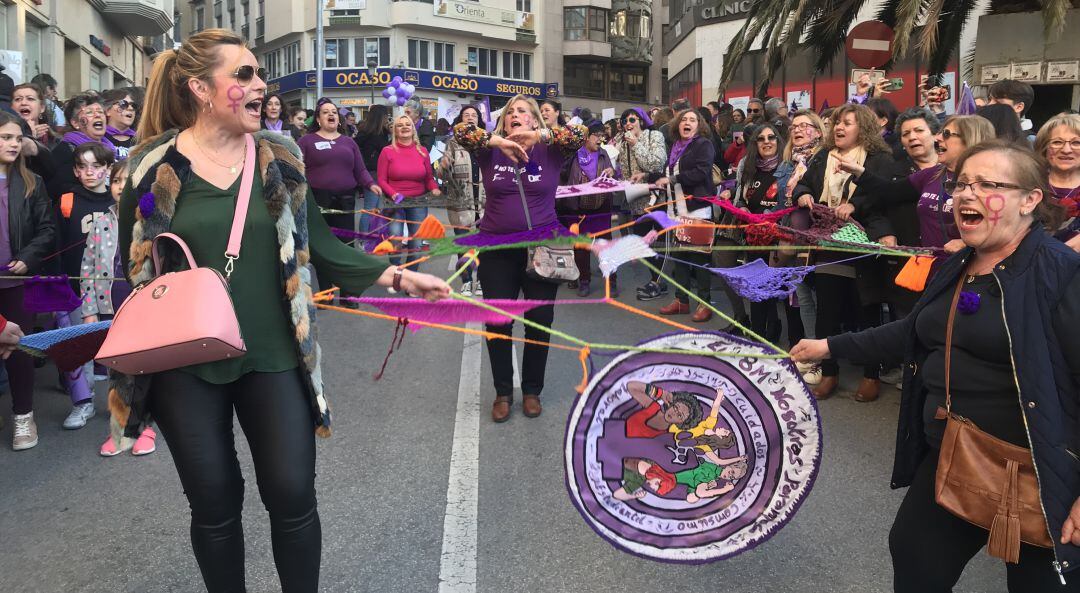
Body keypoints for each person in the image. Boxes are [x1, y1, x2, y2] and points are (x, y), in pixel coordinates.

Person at [116, 29, 449, 592]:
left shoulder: (280, 158)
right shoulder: (152, 166)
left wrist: (396, 275)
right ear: (200, 87)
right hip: (184, 364)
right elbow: (136, 269)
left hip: (273, 354)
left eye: (258, 74)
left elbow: (322, 243)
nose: (258, 85)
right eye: (242, 75)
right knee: (215, 505)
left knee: (293, 496)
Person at [790, 141, 1080, 592]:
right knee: (914, 556)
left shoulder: (1063, 274)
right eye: (963, 183)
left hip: (1039, 471)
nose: (968, 193)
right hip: (953, 452)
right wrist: (827, 345)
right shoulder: (958, 264)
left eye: (988, 184)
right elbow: (915, 332)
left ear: (1030, 200)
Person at [451, 93, 586, 423]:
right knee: (498, 320)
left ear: (535, 120)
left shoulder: (551, 147)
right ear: (502, 120)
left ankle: (531, 391)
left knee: (540, 322)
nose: (516, 114)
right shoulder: (488, 149)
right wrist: (499, 140)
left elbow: (580, 133)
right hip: (497, 247)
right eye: (511, 111)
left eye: (524, 111)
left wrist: (540, 135)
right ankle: (502, 392)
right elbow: (460, 131)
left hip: (544, 247)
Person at [791, 103, 898, 400]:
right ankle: (829, 373)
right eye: (837, 122)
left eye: (847, 123)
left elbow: (885, 193)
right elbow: (801, 184)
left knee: (867, 313)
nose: (838, 127)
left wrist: (856, 205)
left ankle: (871, 375)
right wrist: (805, 195)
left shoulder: (880, 158)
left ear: (862, 127)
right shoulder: (823, 155)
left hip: (865, 244)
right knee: (827, 311)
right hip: (829, 243)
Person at [81, 160, 154, 456]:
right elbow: (87, 267)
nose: (121, 186)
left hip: (145, 308)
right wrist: (89, 309)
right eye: (116, 181)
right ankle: (119, 428)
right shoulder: (100, 222)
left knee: (145, 370)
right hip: (111, 307)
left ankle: (146, 427)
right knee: (117, 372)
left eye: (128, 181)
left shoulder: (149, 221)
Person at [0, 111, 56, 450]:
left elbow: (48, 229)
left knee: (19, 350)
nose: (13, 144)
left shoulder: (31, 182)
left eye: (17, 138)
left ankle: (23, 416)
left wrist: (29, 257)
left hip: (17, 283)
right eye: (5, 137)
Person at [55, 142, 116, 430]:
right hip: (77, 288)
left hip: (114, 289)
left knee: (119, 347)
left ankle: (122, 404)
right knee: (78, 349)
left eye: (97, 166)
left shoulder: (117, 201)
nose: (90, 172)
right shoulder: (67, 201)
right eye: (83, 166)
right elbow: (56, 242)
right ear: (76, 171)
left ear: (108, 168)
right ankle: (83, 403)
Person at [776, 110, 826, 383]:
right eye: (793, 126)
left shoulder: (823, 159)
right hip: (792, 235)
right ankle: (810, 354)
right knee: (802, 296)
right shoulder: (786, 164)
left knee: (821, 298)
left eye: (804, 126)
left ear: (818, 131)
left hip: (818, 235)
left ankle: (821, 358)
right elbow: (785, 204)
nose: (796, 130)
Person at [654, 109, 718, 322]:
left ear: (699, 125)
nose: (687, 123)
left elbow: (701, 172)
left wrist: (672, 180)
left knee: (699, 258)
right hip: (675, 210)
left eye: (692, 120)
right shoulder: (675, 147)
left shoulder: (703, 145)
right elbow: (668, 174)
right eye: (684, 120)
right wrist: (648, 176)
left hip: (697, 208)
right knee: (679, 257)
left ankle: (705, 303)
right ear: (677, 125)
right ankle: (681, 300)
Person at [726, 123, 786, 343]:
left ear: (778, 141)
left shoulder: (787, 169)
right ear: (755, 144)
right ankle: (757, 335)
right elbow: (741, 197)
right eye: (761, 139)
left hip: (778, 237)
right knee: (755, 287)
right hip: (752, 237)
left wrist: (768, 217)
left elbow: (787, 202)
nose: (767, 142)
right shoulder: (749, 167)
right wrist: (741, 208)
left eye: (771, 137)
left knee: (772, 289)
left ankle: (774, 328)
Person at [298, 97, 383, 243]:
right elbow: (296, 168)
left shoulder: (349, 142)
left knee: (345, 242)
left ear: (338, 118)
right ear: (318, 119)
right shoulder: (306, 141)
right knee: (320, 242)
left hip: (346, 199)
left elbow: (360, 169)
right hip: (317, 199)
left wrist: (371, 184)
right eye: (325, 112)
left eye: (334, 112)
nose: (331, 115)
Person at [611, 108, 668, 301]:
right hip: (635, 199)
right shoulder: (622, 141)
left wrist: (636, 144)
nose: (628, 123)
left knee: (657, 242)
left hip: (656, 199)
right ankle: (657, 280)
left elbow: (656, 165)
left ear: (641, 120)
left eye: (632, 119)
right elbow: (620, 168)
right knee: (643, 243)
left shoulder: (655, 136)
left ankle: (658, 282)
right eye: (624, 120)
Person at [560, 121, 617, 297]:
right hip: (578, 208)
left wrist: (612, 171)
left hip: (601, 207)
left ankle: (612, 281)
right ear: (586, 137)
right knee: (581, 247)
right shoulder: (574, 155)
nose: (600, 139)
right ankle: (584, 280)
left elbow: (614, 173)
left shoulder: (604, 153)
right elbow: (562, 174)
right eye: (597, 135)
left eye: (602, 135)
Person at [377, 114, 441, 267]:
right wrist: (393, 194)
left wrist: (434, 188)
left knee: (417, 242)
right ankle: (396, 268)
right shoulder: (387, 151)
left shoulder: (423, 151)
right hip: (394, 202)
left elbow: (429, 178)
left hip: (418, 202)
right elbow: (381, 180)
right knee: (395, 240)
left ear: (413, 130)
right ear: (395, 131)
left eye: (408, 124)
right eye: (400, 125)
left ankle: (410, 273)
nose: (404, 127)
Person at [439, 105, 486, 296]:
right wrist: (443, 167)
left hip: (485, 199)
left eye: (474, 115)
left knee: (484, 244)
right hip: (460, 199)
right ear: (460, 120)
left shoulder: (486, 140)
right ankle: (466, 280)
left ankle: (483, 279)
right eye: (466, 115)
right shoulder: (453, 142)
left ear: (479, 120)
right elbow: (442, 174)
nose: (470, 118)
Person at [48, 93, 114, 198]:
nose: (97, 115)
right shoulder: (65, 151)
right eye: (89, 112)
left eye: (100, 112)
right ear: (75, 123)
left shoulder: (110, 148)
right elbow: (58, 188)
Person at [1036, 113, 1080, 252]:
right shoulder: (1029, 185)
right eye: (1057, 142)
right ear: (1044, 148)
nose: (1066, 150)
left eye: (1076, 143)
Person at [354, 104, 391, 235]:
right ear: (381, 117)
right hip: (373, 173)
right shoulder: (375, 134)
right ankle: (365, 238)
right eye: (386, 116)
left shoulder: (365, 131)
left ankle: (373, 236)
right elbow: (387, 149)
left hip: (372, 172)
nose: (388, 119)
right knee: (370, 208)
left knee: (374, 208)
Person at [101, 89, 139, 160]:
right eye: (123, 104)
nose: (130, 108)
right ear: (108, 111)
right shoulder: (98, 137)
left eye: (133, 105)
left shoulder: (141, 140)